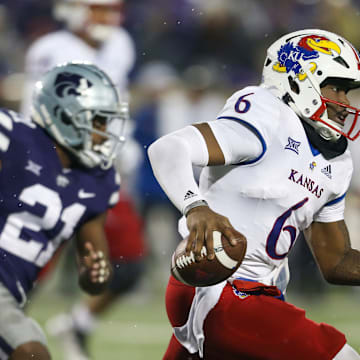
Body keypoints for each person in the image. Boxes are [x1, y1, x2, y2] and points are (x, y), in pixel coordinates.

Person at [148, 29, 360, 359]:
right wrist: (195, 206)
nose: (346, 104)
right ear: (298, 80)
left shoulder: (337, 162)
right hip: (217, 285)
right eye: (337, 88)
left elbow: (337, 262)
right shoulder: (267, 115)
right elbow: (168, 148)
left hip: (260, 295)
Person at [20, 1, 146, 358]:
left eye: (112, 10)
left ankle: (78, 324)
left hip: (104, 168)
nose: (107, 19)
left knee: (128, 266)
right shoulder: (50, 49)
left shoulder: (121, 42)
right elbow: (41, 113)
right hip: (57, 169)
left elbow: (116, 103)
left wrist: (120, 144)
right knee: (24, 271)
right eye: (97, 9)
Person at [0, 61, 126, 360]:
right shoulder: (13, 138)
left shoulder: (100, 180)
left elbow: (92, 261)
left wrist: (96, 272)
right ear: (63, 114)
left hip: (12, 294)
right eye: (97, 121)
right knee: (31, 352)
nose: (103, 133)